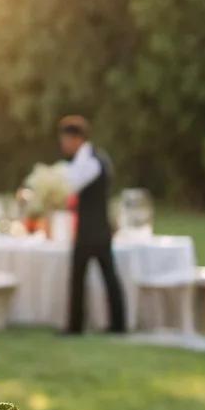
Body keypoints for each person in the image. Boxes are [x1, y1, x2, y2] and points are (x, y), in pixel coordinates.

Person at [58, 114, 126, 335]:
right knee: (107, 276)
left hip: (90, 230)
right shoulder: (91, 158)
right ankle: (116, 324)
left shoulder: (89, 161)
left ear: (76, 138)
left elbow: (70, 185)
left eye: (65, 139)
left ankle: (77, 326)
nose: (63, 144)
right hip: (97, 228)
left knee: (82, 277)